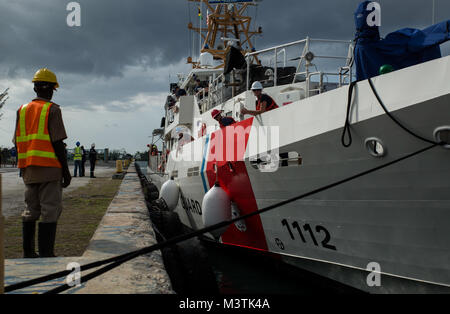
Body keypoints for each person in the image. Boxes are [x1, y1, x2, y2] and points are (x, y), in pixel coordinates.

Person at [13, 68, 71, 258]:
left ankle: (28, 253)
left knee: (31, 210)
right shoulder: (52, 110)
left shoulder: (21, 110)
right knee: (50, 210)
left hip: (28, 169)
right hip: (49, 168)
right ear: (51, 89)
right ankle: (46, 253)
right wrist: (66, 171)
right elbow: (57, 143)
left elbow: (17, 142)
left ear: (36, 88)